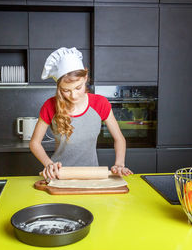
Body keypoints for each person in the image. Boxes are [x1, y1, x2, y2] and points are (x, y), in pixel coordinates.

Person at [30, 47, 133, 180]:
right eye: (66, 90)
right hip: (59, 175)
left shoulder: (100, 103)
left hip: (92, 175)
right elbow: (34, 143)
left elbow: (119, 139)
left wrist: (119, 164)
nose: (73, 95)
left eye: (78, 88)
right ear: (59, 87)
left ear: (85, 78)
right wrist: (49, 164)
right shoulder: (50, 105)